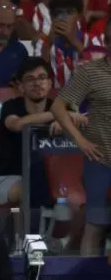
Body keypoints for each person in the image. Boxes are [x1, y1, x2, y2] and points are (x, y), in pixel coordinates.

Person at [50, 18, 111, 257]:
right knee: (95, 226)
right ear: (105, 42)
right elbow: (58, 107)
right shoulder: (89, 72)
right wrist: (80, 140)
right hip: (101, 160)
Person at [0, 58, 59, 207]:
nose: (37, 83)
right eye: (30, 79)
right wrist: (58, 115)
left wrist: (66, 121)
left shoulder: (58, 107)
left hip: (53, 177)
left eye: (42, 78)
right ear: (20, 86)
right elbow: (18, 124)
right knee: (34, 188)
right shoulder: (11, 107)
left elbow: (81, 122)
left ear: (49, 83)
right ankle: (31, 231)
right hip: (10, 179)